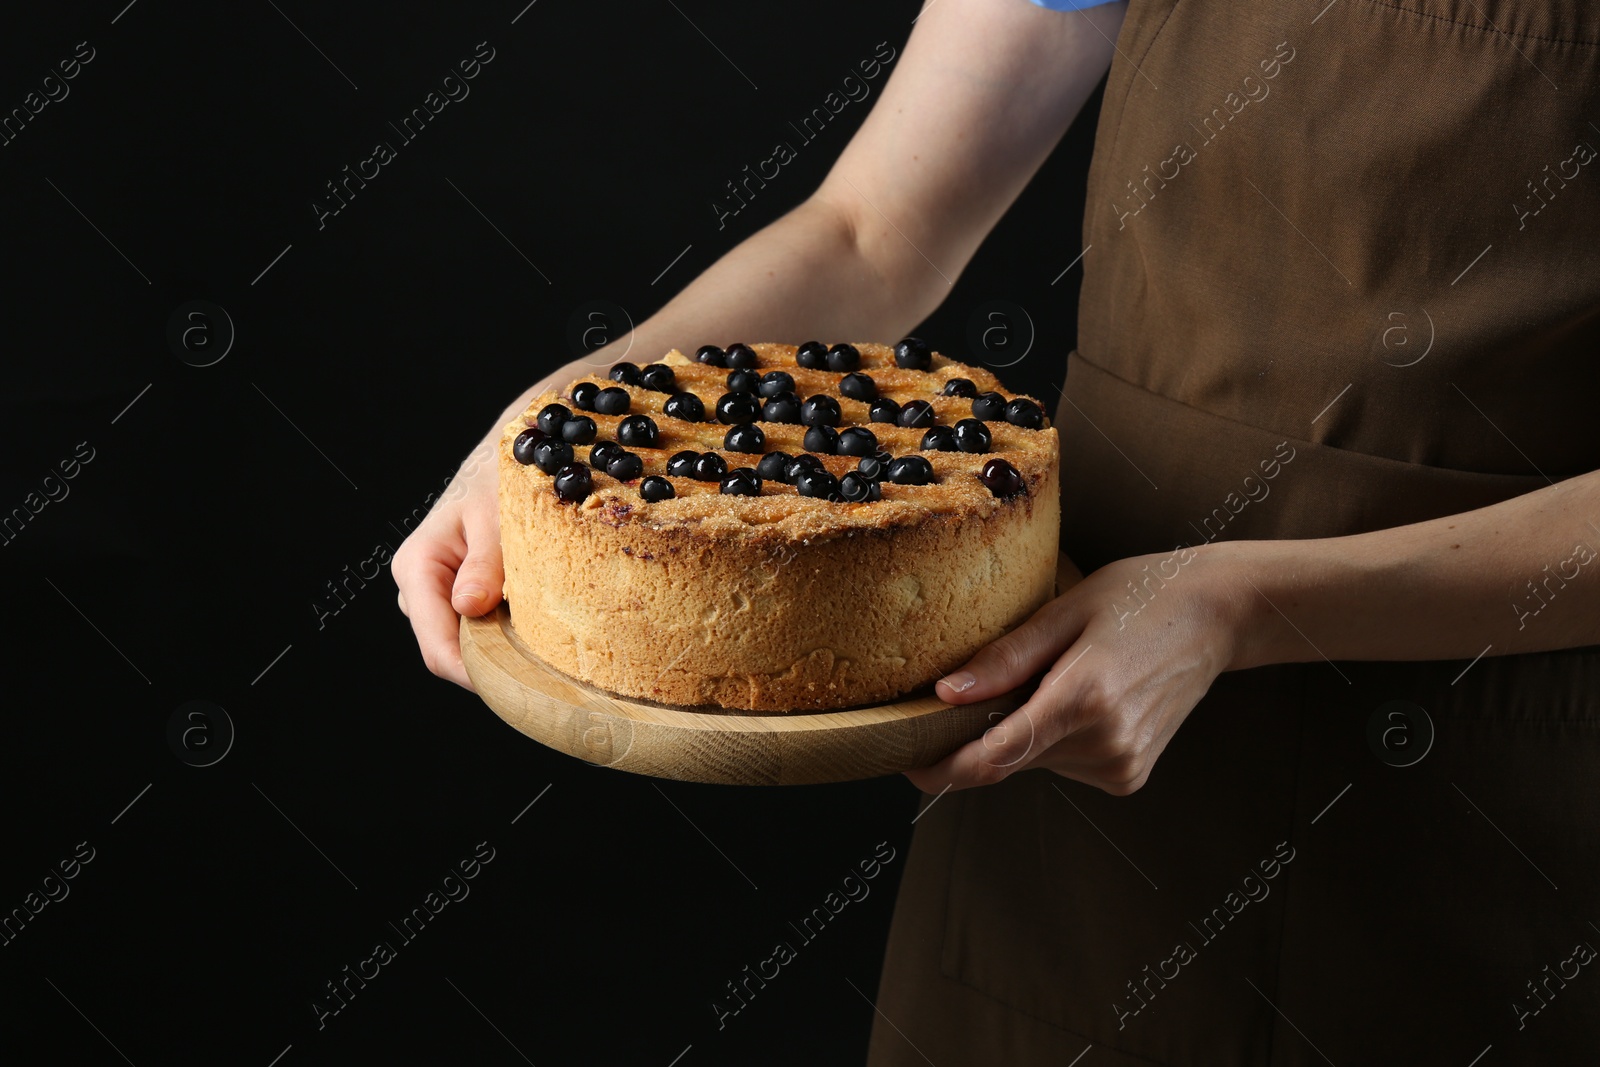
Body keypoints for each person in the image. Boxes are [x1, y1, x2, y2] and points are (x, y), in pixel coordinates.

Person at [395, 0, 1600, 1062]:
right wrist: (571, 412)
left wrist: (1239, 602)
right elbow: (874, 230)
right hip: (1069, 760)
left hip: (1476, 782)